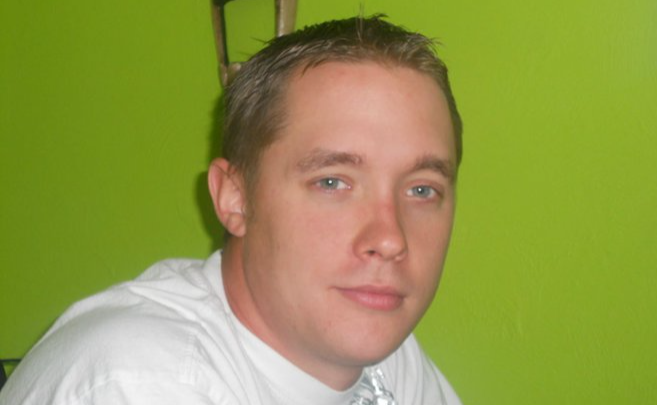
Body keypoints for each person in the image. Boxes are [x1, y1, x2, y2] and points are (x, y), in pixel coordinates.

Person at [0, 15, 463, 405]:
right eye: (331, 182)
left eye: (422, 190)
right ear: (234, 197)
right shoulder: (142, 383)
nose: (390, 239)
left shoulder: (385, 361)